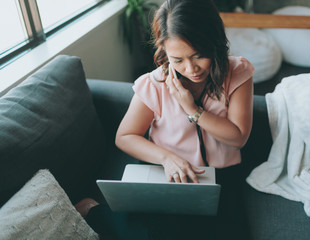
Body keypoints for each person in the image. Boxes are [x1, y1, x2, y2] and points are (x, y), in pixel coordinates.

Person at [78, 0, 254, 239]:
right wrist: (168, 159)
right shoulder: (154, 83)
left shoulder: (237, 72)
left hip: (220, 176)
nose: (191, 68)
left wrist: (192, 109)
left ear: (214, 42)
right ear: (165, 53)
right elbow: (125, 137)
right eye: (177, 60)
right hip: (168, 174)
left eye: (198, 55)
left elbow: (238, 138)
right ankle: (93, 210)